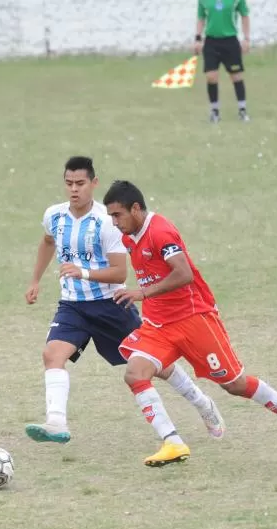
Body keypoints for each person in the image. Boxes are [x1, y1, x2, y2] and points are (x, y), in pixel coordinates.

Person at [103, 180, 277, 467]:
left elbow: (184, 274)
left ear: (136, 208)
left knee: (235, 384)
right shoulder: (130, 236)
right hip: (159, 324)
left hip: (194, 319)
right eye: (111, 217)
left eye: (118, 215)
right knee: (135, 374)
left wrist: (142, 293)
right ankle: (173, 442)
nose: (115, 223)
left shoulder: (160, 231)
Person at [25, 157, 225, 444]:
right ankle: (56, 422)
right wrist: (34, 281)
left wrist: (81, 272)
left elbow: (120, 272)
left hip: (111, 305)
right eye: (69, 183)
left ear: (93, 184)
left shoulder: (108, 222)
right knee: (52, 355)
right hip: (72, 305)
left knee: (159, 366)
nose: (74, 189)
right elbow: (47, 242)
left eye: (80, 183)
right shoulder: (54, 216)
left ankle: (202, 403)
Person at [194, 0, 251, 123]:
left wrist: (246, 39)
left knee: (236, 76)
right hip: (211, 42)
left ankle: (242, 110)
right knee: (211, 76)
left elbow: (245, 15)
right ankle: (214, 112)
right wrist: (198, 39)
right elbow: (201, 17)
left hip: (230, 41)